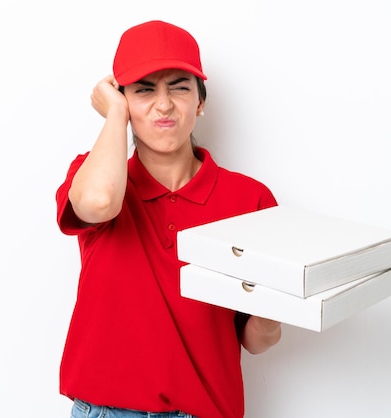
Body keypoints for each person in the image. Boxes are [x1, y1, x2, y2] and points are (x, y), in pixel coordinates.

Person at [55, 20, 282, 418]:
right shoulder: (93, 175)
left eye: (179, 86)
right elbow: (97, 202)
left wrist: (273, 300)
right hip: (109, 412)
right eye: (144, 90)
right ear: (120, 101)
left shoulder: (251, 199)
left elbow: (258, 340)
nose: (164, 105)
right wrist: (115, 117)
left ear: (200, 101)